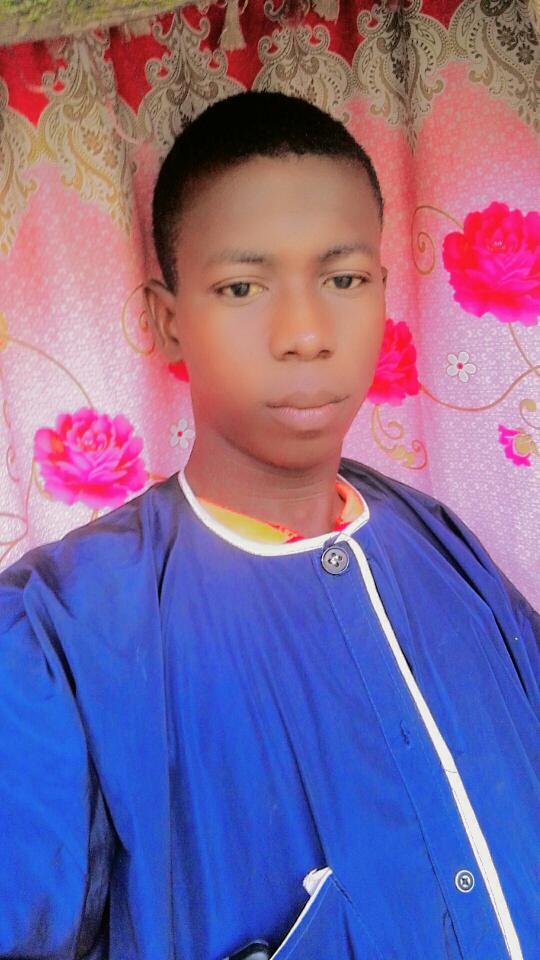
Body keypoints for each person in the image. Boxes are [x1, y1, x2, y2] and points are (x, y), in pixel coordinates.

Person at [0, 91, 537, 960]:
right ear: (171, 320)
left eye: (343, 278)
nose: (305, 333)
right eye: (242, 287)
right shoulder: (60, 633)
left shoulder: (447, 550)